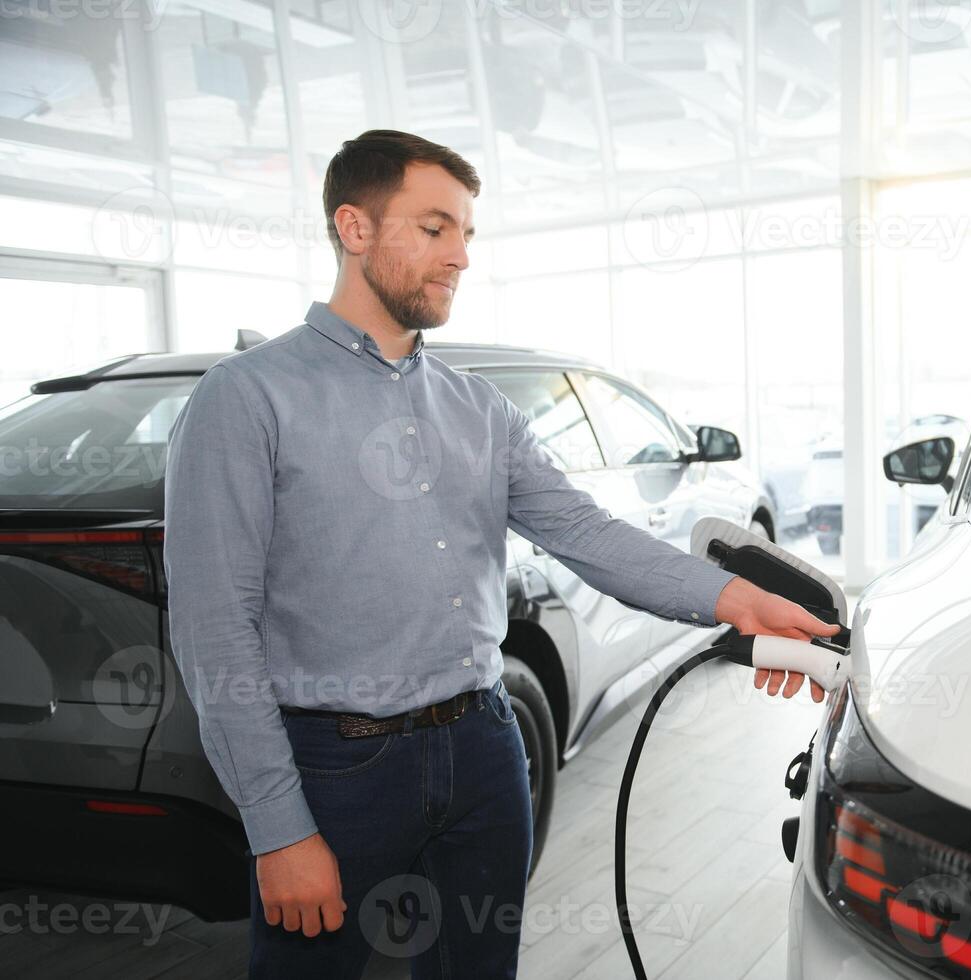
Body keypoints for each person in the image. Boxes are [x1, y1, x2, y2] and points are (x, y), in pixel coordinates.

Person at [163, 129, 838, 979]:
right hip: (338, 769)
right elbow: (214, 627)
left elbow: (585, 532)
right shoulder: (246, 397)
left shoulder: (478, 409)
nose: (461, 257)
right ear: (355, 228)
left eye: (468, 235)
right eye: (435, 227)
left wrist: (735, 597)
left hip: (485, 746)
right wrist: (278, 827)